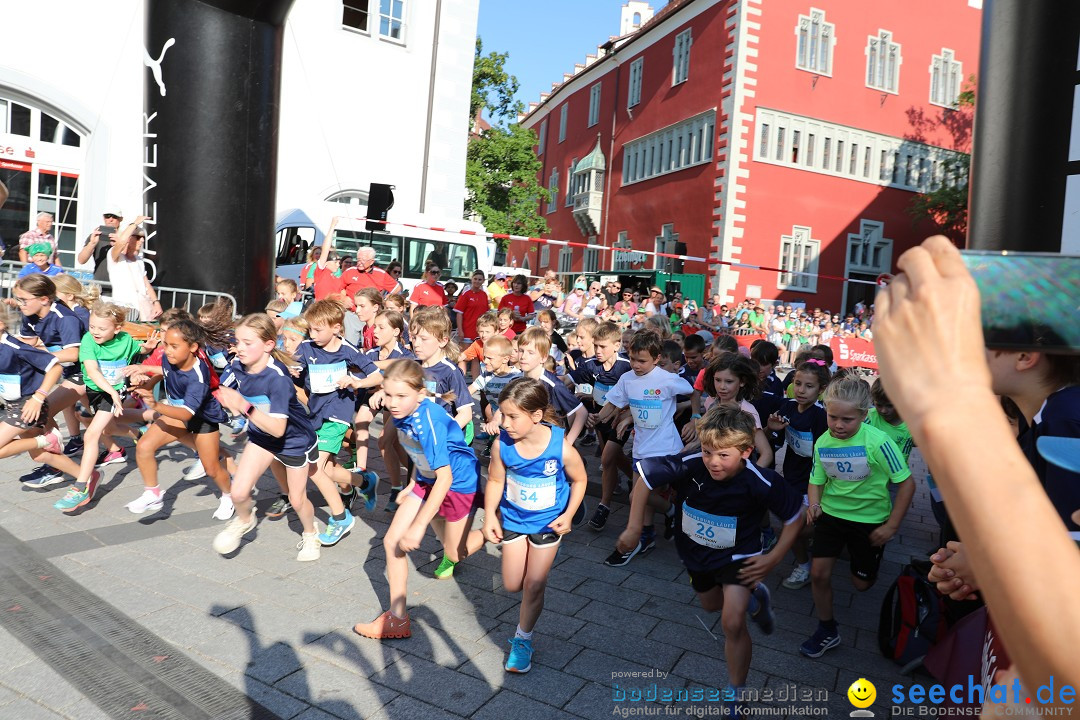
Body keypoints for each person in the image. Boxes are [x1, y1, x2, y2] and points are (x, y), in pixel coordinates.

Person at [873, 235, 1080, 701]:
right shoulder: (1048, 419)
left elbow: (1065, 575)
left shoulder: (1067, 422)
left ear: (1026, 356)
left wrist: (985, 565)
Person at [620, 404, 804, 704]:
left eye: (723, 455)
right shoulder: (691, 463)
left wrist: (773, 557)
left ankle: (736, 695)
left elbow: (796, 515)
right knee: (710, 605)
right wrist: (632, 527)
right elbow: (644, 481)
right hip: (696, 554)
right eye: (707, 452)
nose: (713, 462)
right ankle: (756, 600)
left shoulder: (761, 480)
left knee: (731, 623)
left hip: (739, 557)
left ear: (745, 452)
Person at [353, 359, 485, 640]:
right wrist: (412, 483)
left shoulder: (429, 420)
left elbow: (445, 477)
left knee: (453, 553)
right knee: (391, 543)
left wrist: (419, 525)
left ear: (420, 394)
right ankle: (398, 620)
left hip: (457, 484)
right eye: (388, 395)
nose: (393, 403)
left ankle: (492, 529)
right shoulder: (403, 412)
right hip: (427, 481)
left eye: (401, 396)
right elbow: (416, 451)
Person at [799, 376, 913, 658]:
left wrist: (892, 526)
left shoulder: (879, 442)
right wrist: (814, 505)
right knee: (819, 573)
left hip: (870, 521)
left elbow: (907, 483)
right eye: (832, 416)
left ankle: (863, 557)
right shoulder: (824, 441)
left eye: (847, 419)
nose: (838, 425)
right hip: (832, 515)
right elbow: (816, 480)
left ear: (864, 415)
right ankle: (827, 630)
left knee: (861, 584)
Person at [483, 377, 587, 673]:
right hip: (514, 518)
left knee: (534, 584)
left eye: (513, 416)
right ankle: (525, 616)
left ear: (536, 416)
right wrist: (490, 514)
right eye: (502, 414)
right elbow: (494, 480)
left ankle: (522, 639)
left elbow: (580, 479)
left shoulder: (560, 446)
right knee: (512, 584)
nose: (505, 423)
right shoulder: (501, 445)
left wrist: (569, 513)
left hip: (548, 522)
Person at [212, 313, 322, 561]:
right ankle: (244, 520)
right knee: (239, 493)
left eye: (247, 343)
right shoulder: (237, 365)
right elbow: (220, 390)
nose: (239, 348)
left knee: (296, 499)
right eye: (237, 341)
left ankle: (310, 532)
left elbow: (278, 429)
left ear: (269, 345)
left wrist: (243, 406)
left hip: (293, 440)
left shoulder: (278, 378)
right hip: (262, 437)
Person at [598, 330, 694, 566]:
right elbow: (612, 404)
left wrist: (694, 414)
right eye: (632, 359)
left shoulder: (667, 379)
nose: (636, 365)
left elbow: (694, 391)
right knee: (642, 497)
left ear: (657, 358)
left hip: (665, 448)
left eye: (642, 361)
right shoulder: (627, 379)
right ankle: (657, 526)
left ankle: (642, 533)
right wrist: (595, 417)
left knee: (637, 495)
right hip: (641, 446)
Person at [294, 300, 383, 545]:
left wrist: (356, 382)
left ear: (336, 328)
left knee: (315, 468)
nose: (312, 334)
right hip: (315, 413)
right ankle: (364, 481)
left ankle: (340, 518)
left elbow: (376, 374)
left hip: (338, 414)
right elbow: (294, 369)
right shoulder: (306, 347)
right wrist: (291, 370)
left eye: (318, 330)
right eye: (310, 329)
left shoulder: (347, 350)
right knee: (330, 470)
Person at [125, 319, 234, 518]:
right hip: (176, 412)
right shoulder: (171, 358)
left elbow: (186, 414)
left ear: (193, 347)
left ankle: (229, 495)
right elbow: (167, 371)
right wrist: (144, 370)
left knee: (211, 468)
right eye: (166, 344)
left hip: (201, 419)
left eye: (174, 346)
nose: (167, 350)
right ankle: (152, 494)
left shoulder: (198, 376)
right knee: (144, 447)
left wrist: (156, 405)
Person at [53, 302, 150, 512]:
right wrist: (111, 391)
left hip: (113, 392)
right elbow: (93, 370)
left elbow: (139, 349)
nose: (95, 332)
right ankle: (140, 432)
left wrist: (148, 348)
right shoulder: (88, 340)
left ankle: (80, 487)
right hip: (95, 390)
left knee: (91, 435)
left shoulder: (126, 340)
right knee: (107, 428)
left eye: (101, 328)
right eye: (92, 326)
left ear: (117, 328)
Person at [765, 358, 831, 589]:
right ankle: (804, 563)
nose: (801, 390)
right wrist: (771, 429)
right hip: (791, 476)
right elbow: (775, 440)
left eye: (809, 386)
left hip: (814, 483)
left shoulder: (822, 416)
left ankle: (807, 562)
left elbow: (827, 455)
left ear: (822, 389)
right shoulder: (788, 406)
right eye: (798, 383)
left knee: (796, 528)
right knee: (791, 524)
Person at [573, 321, 633, 530]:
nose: (598, 351)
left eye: (603, 347)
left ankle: (603, 507)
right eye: (596, 346)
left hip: (620, 422)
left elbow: (635, 391)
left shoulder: (627, 366)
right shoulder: (590, 365)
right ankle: (636, 478)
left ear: (617, 345)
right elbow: (566, 380)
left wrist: (625, 413)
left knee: (607, 459)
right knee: (614, 458)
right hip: (600, 419)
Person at [107, 219, 162, 321]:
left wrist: (156, 302)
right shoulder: (114, 255)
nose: (142, 240)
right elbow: (121, 242)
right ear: (128, 238)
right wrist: (135, 222)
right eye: (137, 237)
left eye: (143, 237)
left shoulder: (139, 261)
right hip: (123, 310)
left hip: (141, 311)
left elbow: (147, 285)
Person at [76, 207, 124, 281]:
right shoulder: (96, 237)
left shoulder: (125, 237)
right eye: (107, 216)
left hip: (121, 285)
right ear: (103, 218)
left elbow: (131, 259)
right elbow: (81, 260)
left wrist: (119, 245)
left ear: (121, 219)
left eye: (114, 217)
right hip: (100, 285)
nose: (110, 220)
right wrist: (92, 244)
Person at [453, 270, 491, 344]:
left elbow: (485, 314)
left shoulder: (484, 295)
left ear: (483, 281)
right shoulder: (466, 295)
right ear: (472, 279)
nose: (477, 281)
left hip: (480, 332)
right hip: (467, 331)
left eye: (480, 279)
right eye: (475, 279)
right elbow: (459, 314)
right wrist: (460, 331)